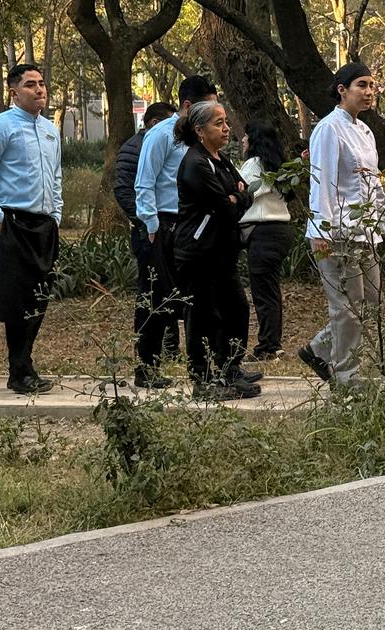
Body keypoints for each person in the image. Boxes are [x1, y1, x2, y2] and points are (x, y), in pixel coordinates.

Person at [301, 62, 385, 387]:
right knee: (346, 306)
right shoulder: (329, 129)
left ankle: (318, 348)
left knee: (370, 301)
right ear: (342, 90)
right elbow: (322, 181)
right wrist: (320, 231)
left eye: (372, 85)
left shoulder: (365, 131)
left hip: (365, 231)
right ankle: (345, 376)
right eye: (361, 85)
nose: (369, 92)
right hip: (337, 233)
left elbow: (372, 183)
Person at [0, 63, 63, 395]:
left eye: (42, 83)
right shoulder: (0, 127)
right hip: (12, 223)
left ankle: (25, 364)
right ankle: (19, 369)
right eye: (30, 85)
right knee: (19, 299)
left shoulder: (51, 130)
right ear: (14, 91)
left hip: (44, 225)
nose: (39, 90)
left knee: (39, 297)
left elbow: (56, 177)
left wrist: (56, 215)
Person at [169, 101, 256, 399]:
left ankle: (230, 368)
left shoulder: (221, 159)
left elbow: (246, 193)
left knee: (237, 309)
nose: (227, 127)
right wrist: (235, 198)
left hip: (223, 251)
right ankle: (203, 379)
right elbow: (224, 207)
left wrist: (237, 198)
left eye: (226, 121)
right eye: (219, 123)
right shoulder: (195, 163)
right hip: (198, 252)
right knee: (202, 315)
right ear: (199, 130)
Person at [134, 77, 218, 387]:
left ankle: (204, 367)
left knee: (194, 298)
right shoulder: (161, 135)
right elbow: (144, 182)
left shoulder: (198, 136)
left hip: (191, 225)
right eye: (206, 106)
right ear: (187, 106)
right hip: (164, 224)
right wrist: (152, 226)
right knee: (156, 299)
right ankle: (146, 368)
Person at [113, 99, 176, 386]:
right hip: (148, 232)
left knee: (170, 293)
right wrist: (145, 222)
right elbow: (126, 190)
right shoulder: (134, 149)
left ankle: (170, 349)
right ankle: (147, 366)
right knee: (152, 295)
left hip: (167, 229)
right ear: (153, 124)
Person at [238, 121, 294, 360]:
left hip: (263, 234)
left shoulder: (253, 164)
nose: (242, 141)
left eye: (246, 136)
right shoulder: (279, 167)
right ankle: (272, 343)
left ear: (254, 141)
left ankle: (269, 346)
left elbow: (241, 192)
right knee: (271, 290)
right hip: (281, 231)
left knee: (264, 293)